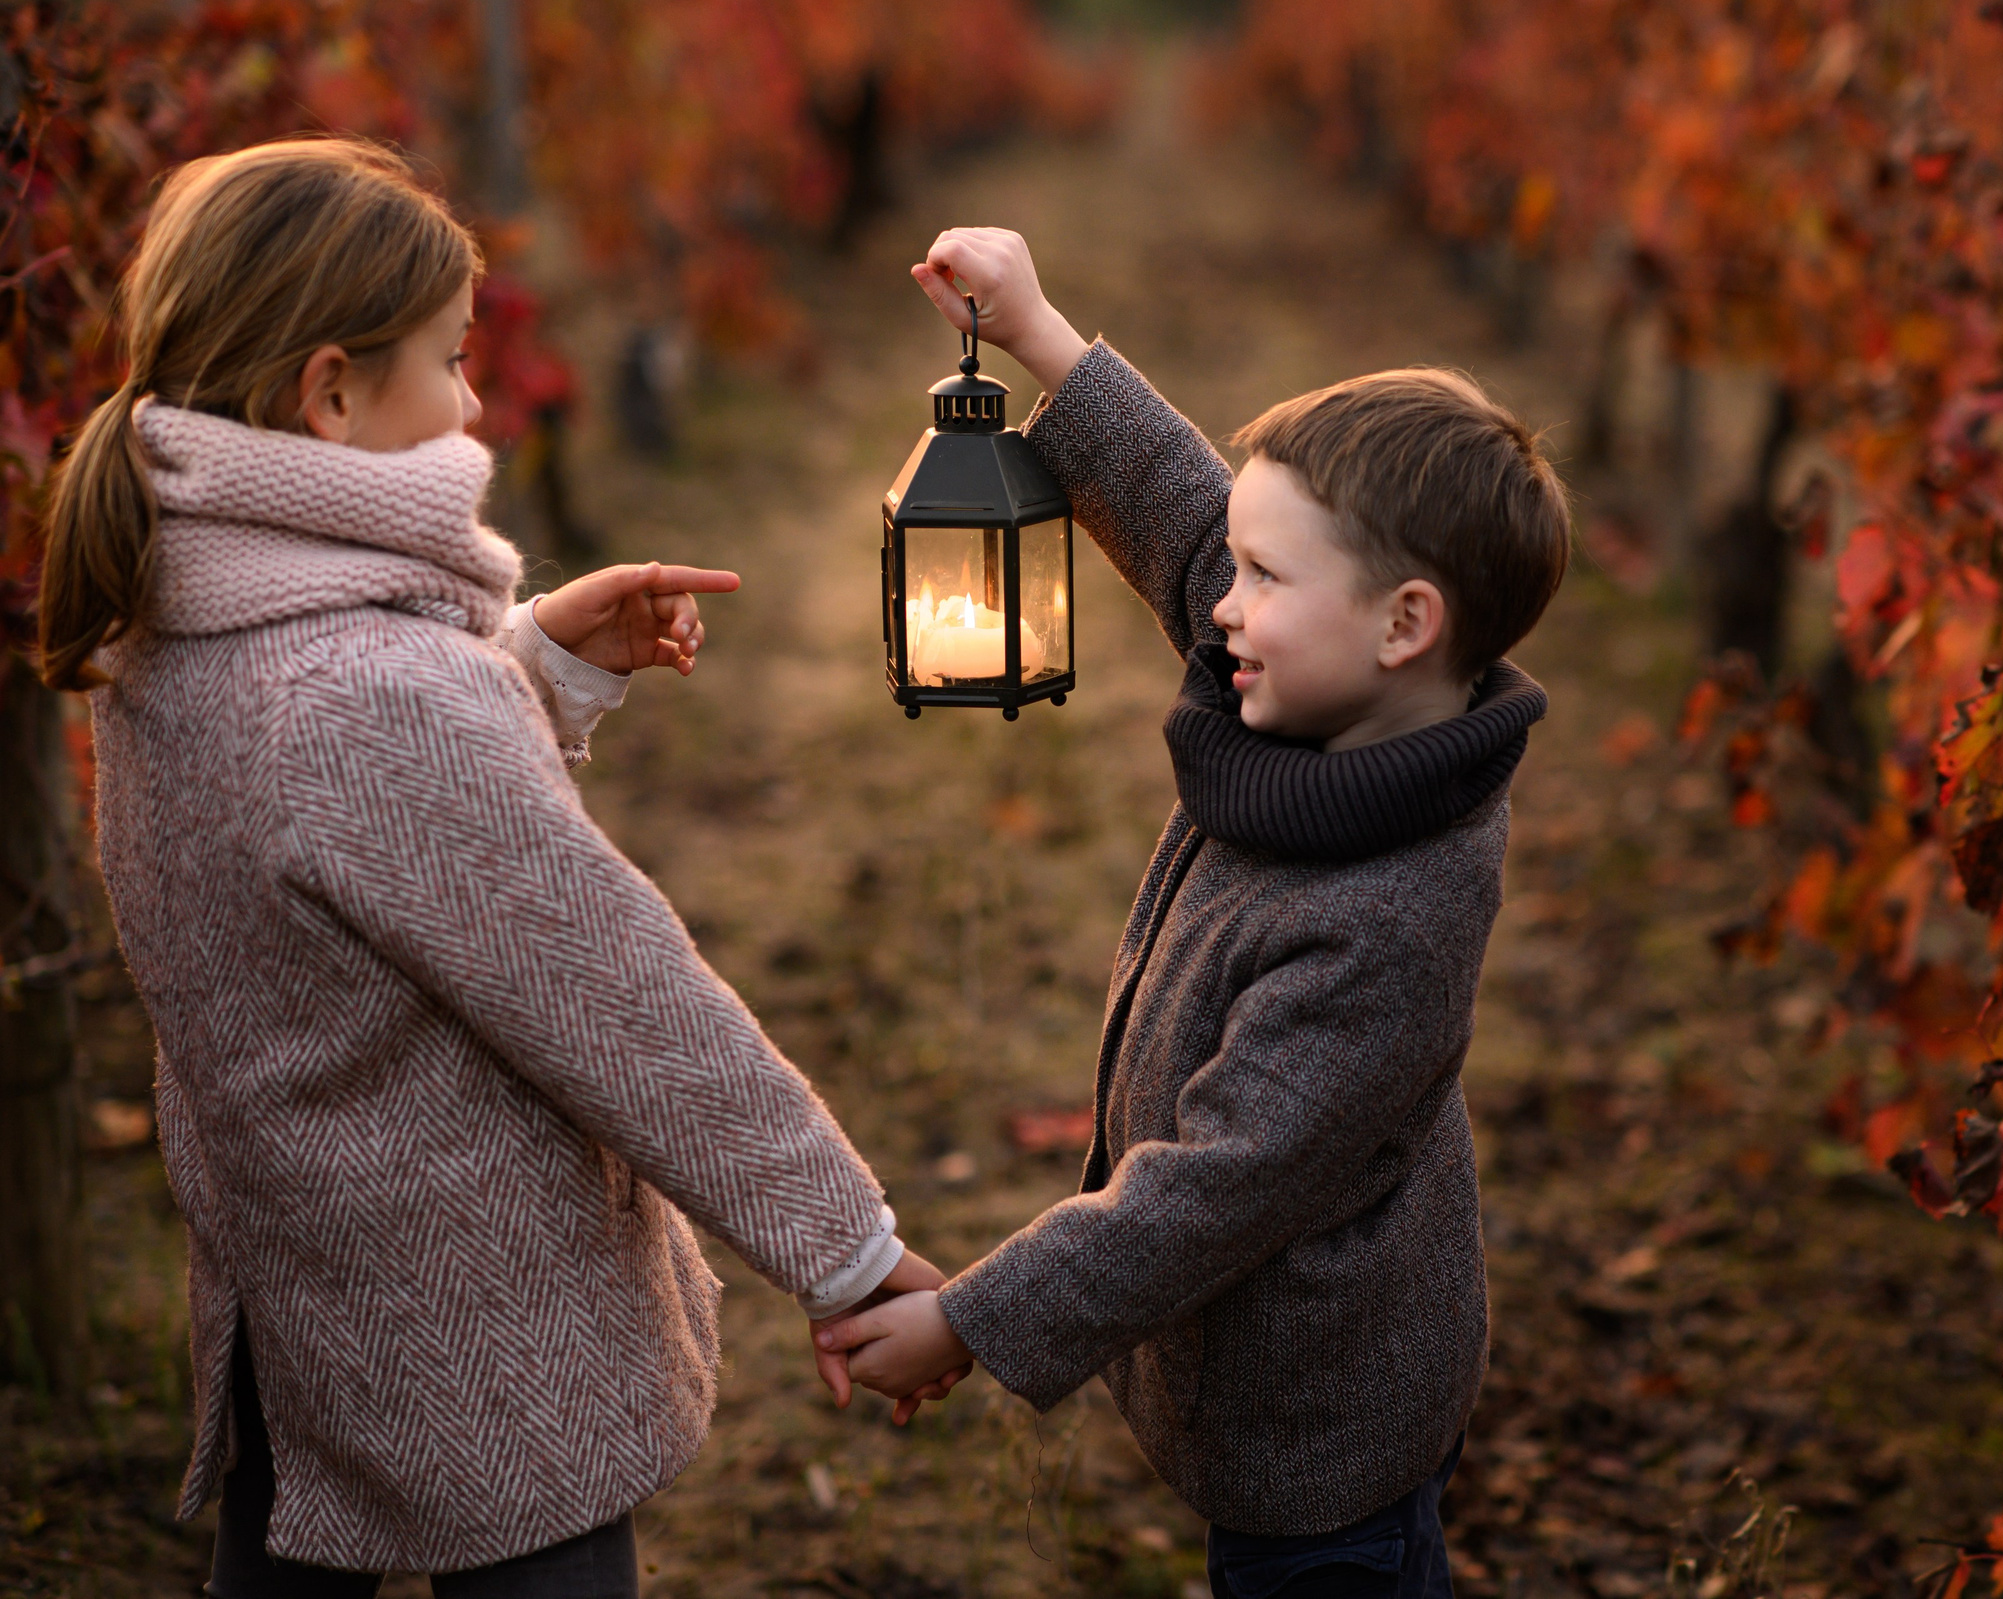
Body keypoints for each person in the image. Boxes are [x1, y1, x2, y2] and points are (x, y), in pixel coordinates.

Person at [35, 137, 947, 1597]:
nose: (476, 402)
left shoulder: (170, 627)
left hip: (300, 1296)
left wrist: (525, 669)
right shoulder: (377, 695)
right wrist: (845, 1249)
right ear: (328, 392)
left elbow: (339, 862)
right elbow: (624, 1006)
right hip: (484, 1329)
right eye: (452, 364)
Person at [818, 227, 1570, 1598]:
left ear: (1405, 625)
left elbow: (1213, 1191)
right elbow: (1184, 514)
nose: (1220, 607)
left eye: (1263, 580)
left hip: (1322, 1443)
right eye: (1238, 566)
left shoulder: (1390, 916)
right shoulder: (1327, 702)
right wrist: (1039, 330)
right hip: (1265, 1387)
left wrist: (973, 1323)